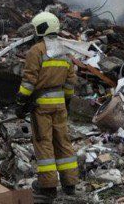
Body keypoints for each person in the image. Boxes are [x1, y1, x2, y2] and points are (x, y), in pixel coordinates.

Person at [19, 12, 78, 201]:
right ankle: (70, 183)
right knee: (62, 141)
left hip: (41, 106)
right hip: (60, 105)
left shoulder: (36, 50)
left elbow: (29, 80)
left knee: (44, 142)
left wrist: (21, 101)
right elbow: (70, 81)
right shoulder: (64, 50)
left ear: (40, 28)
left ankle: (48, 186)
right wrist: (66, 101)